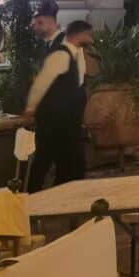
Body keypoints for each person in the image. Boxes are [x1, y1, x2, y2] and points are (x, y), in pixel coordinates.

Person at [24, 19, 93, 191]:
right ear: (79, 35)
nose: (92, 38)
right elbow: (41, 83)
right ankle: (31, 195)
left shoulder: (78, 54)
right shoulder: (60, 55)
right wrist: (30, 108)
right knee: (45, 157)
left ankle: (63, 193)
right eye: (89, 34)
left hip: (69, 118)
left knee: (71, 160)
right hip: (53, 118)